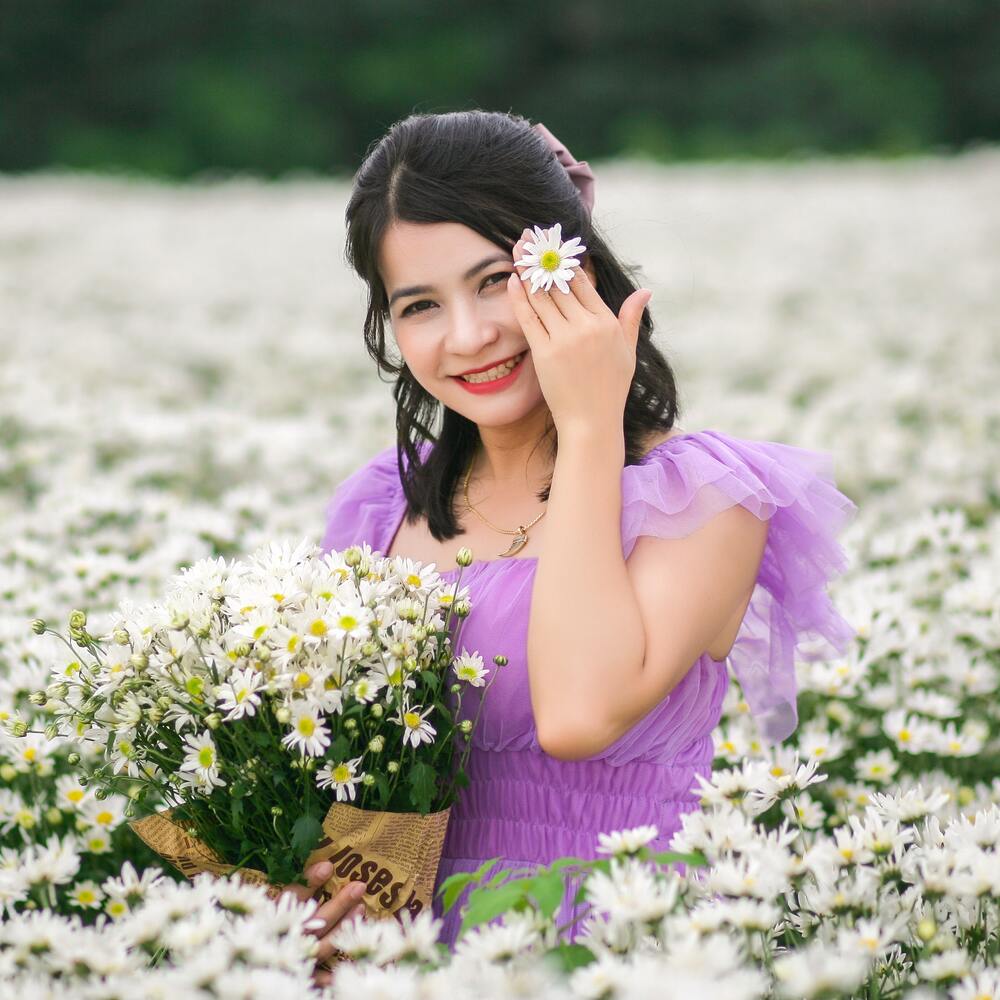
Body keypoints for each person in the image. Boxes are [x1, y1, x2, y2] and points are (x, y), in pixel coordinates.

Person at [316, 109, 858, 951]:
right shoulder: (385, 506)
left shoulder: (701, 501)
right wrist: (326, 866)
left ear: (569, 268)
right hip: (417, 958)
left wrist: (592, 424)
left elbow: (577, 715)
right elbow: (341, 773)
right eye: (420, 305)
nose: (469, 336)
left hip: (614, 948)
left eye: (498, 279)